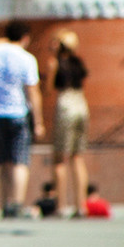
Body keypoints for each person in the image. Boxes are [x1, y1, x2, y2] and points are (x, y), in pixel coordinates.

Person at [0, 21, 43, 219]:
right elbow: (33, 91)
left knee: (3, 161)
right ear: (25, 37)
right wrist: (39, 121)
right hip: (18, 112)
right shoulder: (27, 58)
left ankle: (5, 204)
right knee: (19, 161)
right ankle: (16, 204)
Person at [51, 29, 91, 217]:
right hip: (81, 105)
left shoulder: (56, 63)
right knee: (77, 157)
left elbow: (49, 88)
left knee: (60, 158)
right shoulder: (79, 64)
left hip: (65, 106)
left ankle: (60, 206)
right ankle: (80, 206)